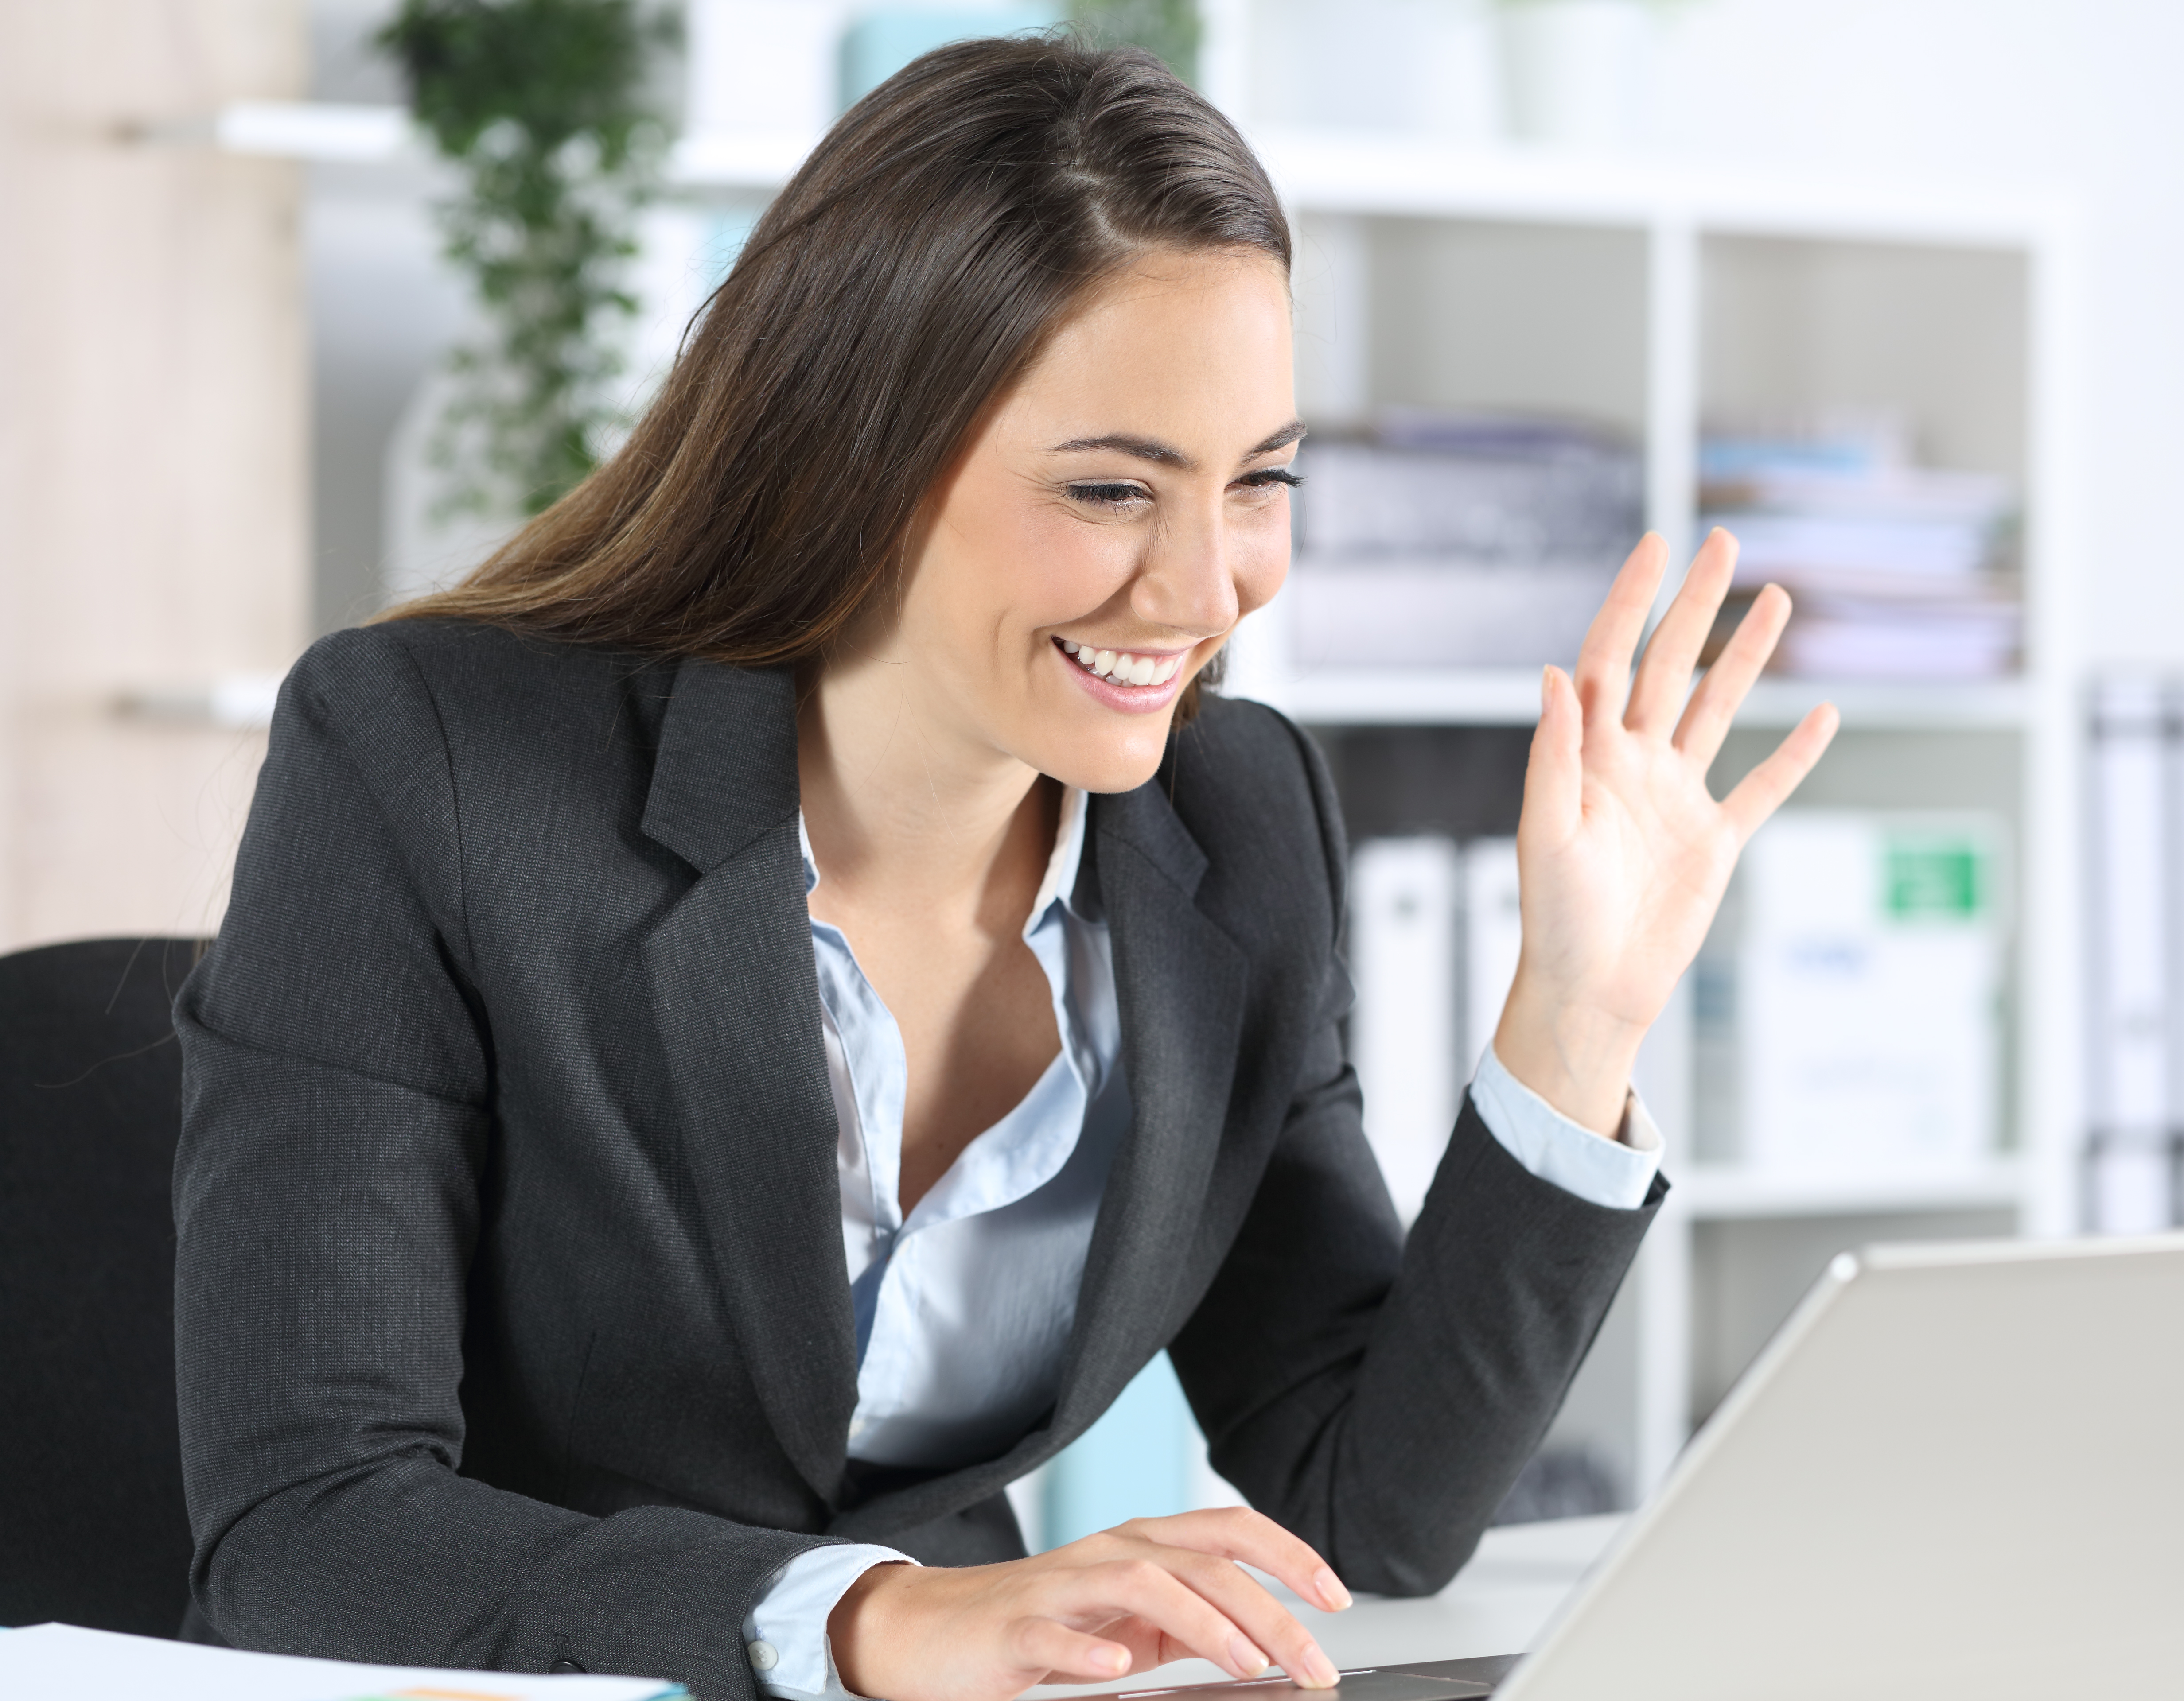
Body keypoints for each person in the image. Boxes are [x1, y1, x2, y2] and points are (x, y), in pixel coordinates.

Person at [171, 35, 1836, 1701]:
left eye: (1261, 483)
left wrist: (1575, 1018)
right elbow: (308, 1526)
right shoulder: (430, 760)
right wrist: (868, 1616)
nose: (1206, 588)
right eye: (1112, 488)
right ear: (856, 457)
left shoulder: (1235, 824)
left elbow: (1371, 1508)